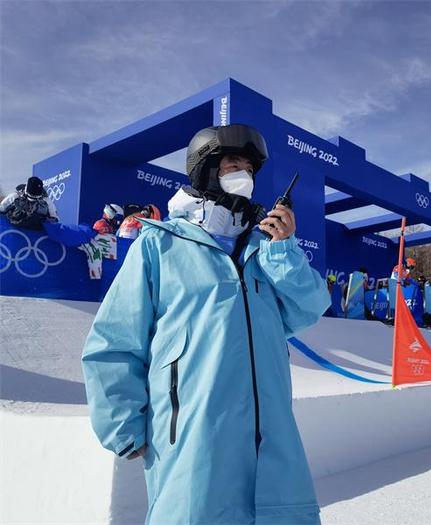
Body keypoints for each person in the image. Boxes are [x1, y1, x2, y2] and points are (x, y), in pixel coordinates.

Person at [82, 123, 330, 525]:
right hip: (193, 442)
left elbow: (310, 308)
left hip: (273, 443)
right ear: (207, 169)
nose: (244, 176)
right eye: (234, 164)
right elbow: (115, 339)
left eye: (249, 169)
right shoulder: (159, 243)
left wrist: (284, 251)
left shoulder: (264, 248)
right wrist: (122, 422)